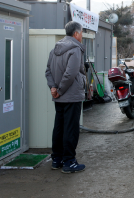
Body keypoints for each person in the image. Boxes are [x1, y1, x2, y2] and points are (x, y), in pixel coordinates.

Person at [45, 21, 86, 173]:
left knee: (59, 127)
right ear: (76, 34)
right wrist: (60, 90)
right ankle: (69, 161)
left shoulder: (55, 48)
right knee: (71, 128)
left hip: (59, 95)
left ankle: (57, 159)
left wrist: (54, 88)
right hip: (71, 95)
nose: (81, 35)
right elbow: (71, 73)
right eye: (81, 32)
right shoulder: (75, 49)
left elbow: (48, 71)